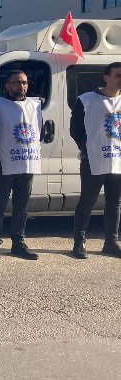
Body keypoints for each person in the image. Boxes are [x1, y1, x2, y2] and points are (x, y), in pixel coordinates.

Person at [0, 70, 41, 260]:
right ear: (7, 85)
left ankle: (18, 243)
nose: (21, 86)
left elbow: (38, 131)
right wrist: (0, 151)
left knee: (22, 206)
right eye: (17, 83)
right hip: (5, 163)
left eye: (24, 82)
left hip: (27, 162)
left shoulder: (34, 106)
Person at [69, 61, 121, 259]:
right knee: (87, 201)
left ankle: (111, 242)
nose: (120, 79)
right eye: (117, 75)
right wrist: (88, 147)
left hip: (118, 161)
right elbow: (76, 130)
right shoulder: (87, 100)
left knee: (114, 203)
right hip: (93, 159)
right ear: (106, 78)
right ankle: (79, 241)